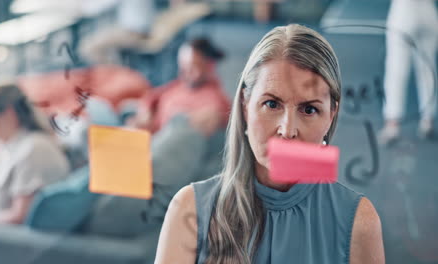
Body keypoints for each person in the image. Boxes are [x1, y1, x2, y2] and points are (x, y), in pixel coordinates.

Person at [155, 24, 385, 263]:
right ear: (245, 105)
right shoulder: (189, 209)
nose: (287, 130)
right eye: (272, 104)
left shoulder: (359, 221)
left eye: (309, 109)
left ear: (331, 116)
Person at [0, 82, 70, 225]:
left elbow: (19, 217)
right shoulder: (4, 145)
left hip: (5, 239)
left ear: (9, 113)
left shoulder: (34, 149)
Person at [127, 37, 231, 137]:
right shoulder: (179, 85)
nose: (185, 74)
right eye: (183, 68)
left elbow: (215, 115)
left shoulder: (214, 98)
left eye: (192, 68)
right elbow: (151, 97)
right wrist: (146, 115)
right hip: (148, 136)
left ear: (209, 65)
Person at [379, 0, 438, 144]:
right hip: (428, 11)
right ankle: (427, 120)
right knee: (427, 70)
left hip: (403, 11)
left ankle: (392, 124)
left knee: (396, 69)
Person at [79, 0, 156, 65]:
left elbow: (96, 7)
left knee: (89, 48)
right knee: (108, 48)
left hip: (135, 32)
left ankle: (117, 75)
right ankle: (118, 71)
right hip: (139, 29)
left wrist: (81, 8)